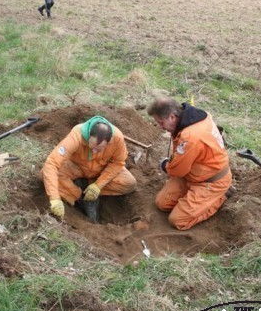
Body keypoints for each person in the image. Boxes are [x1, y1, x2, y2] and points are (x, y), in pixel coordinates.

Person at [147, 97, 232, 231]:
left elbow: (177, 171)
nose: (160, 127)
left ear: (172, 116)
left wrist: (164, 165)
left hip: (211, 182)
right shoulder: (192, 117)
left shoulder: (190, 136)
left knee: (177, 220)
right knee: (162, 203)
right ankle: (193, 199)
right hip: (192, 174)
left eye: (161, 122)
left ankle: (219, 198)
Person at [41, 115, 137, 222]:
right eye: (92, 147)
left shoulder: (117, 138)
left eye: (99, 149)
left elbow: (118, 163)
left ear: (109, 142)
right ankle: (79, 197)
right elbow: (51, 163)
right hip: (77, 166)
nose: (95, 152)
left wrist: (98, 185)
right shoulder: (77, 135)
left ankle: (91, 191)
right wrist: (54, 198)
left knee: (129, 183)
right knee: (45, 175)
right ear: (89, 136)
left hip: (101, 169)